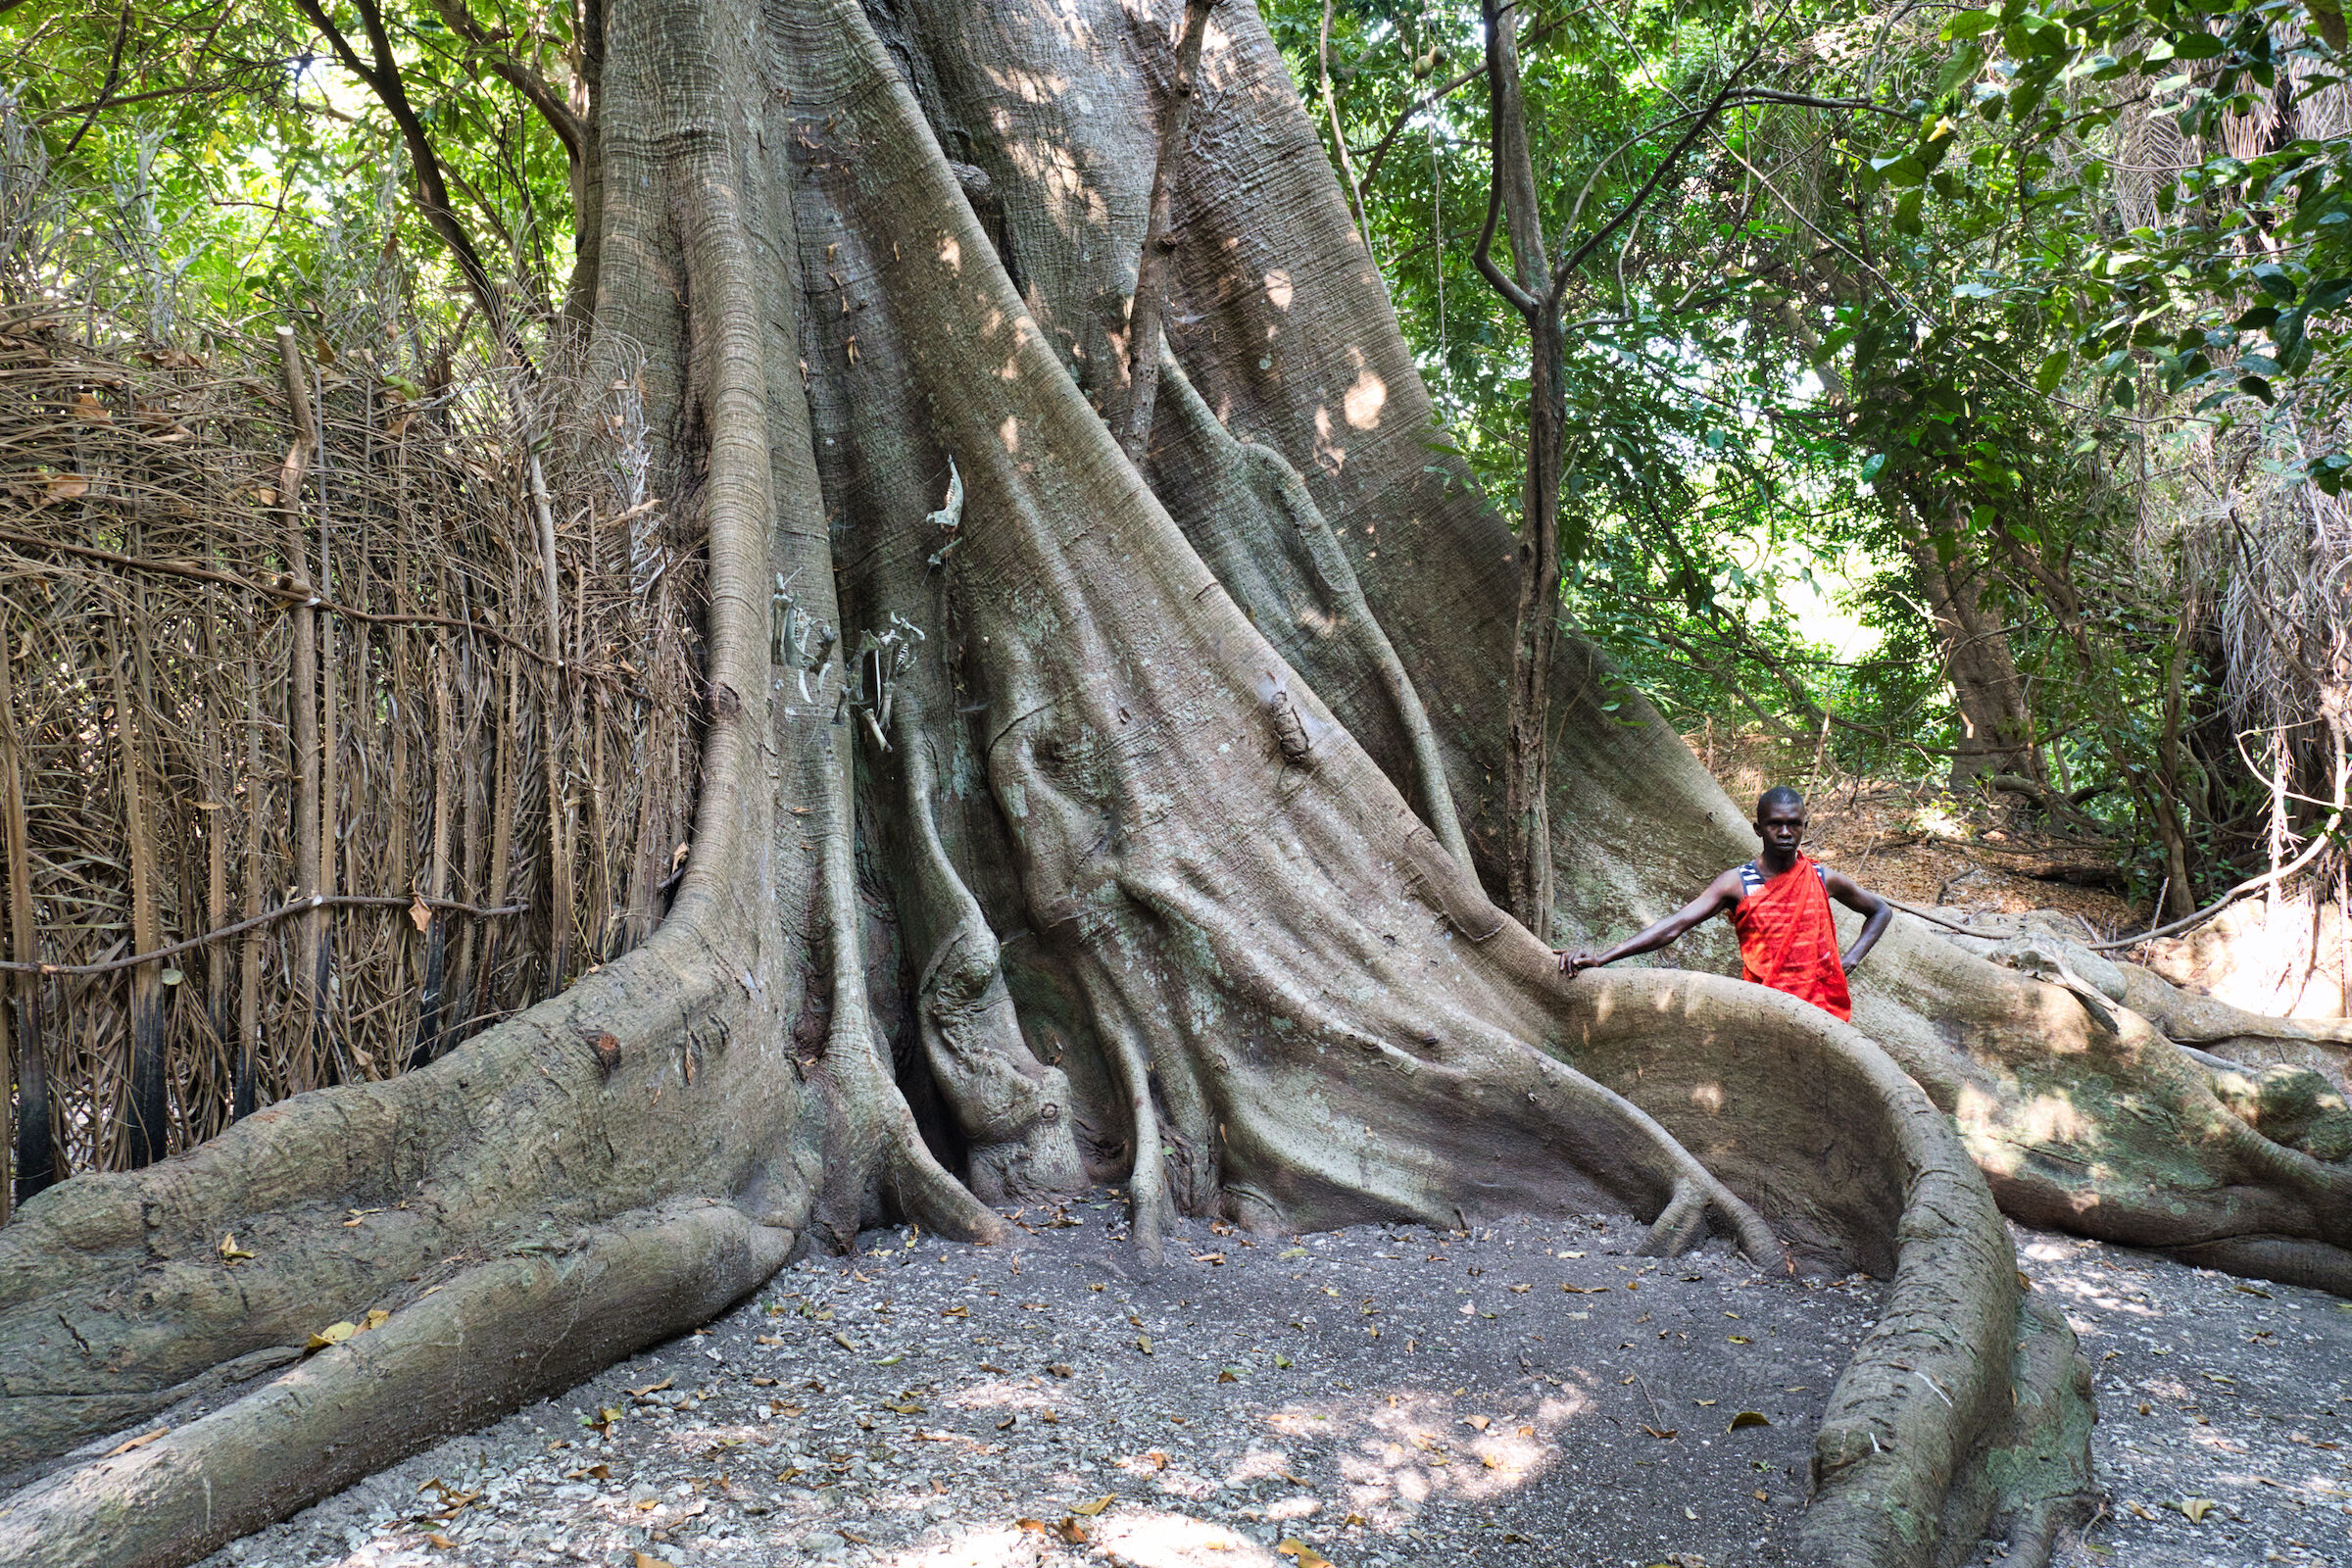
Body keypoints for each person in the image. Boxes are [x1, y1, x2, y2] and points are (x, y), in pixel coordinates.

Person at [1555, 785, 1890, 1022]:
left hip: (1823, 1010)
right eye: (1775, 824)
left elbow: (1880, 911)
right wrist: (1603, 957)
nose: (1785, 832)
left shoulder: (1821, 877)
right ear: (1759, 829)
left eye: (1794, 823)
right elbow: (1673, 926)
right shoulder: (1737, 882)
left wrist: (1850, 959)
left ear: (1805, 826)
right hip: (1766, 1008)